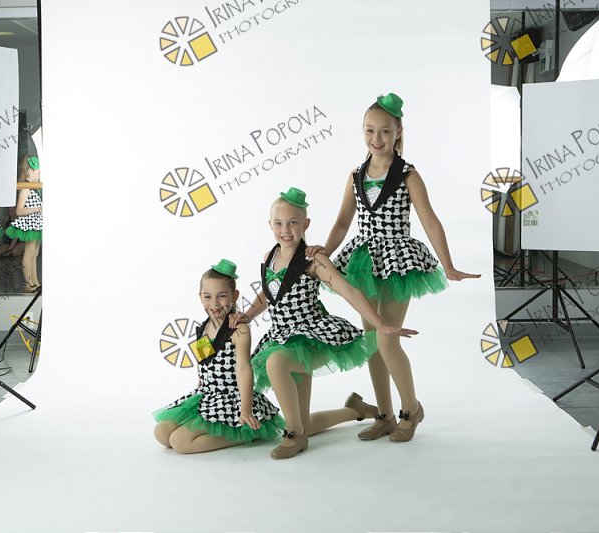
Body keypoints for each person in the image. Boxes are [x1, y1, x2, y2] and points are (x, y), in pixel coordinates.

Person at [307, 93, 479, 443]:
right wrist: (324, 252)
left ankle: (411, 410)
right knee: (372, 341)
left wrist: (447, 265)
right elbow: (343, 222)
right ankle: (384, 414)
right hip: (363, 263)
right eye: (369, 130)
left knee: (387, 340)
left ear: (398, 132)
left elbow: (429, 220)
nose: (377, 138)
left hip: (398, 262)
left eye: (385, 131)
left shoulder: (408, 175)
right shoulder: (355, 175)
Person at [231, 188, 417, 459]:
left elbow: (349, 291)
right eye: (279, 223)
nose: (285, 230)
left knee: (275, 362)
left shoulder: (313, 260)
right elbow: (269, 292)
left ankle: (294, 436)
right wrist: (248, 314)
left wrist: (381, 324)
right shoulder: (269, 256)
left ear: (305, 224)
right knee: (303, 421)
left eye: (293, 223)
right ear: (270, 225)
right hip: (283, 337)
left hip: (312, 337)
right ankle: (355, 410)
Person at [153, 259, 286, 453]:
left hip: (232, 400)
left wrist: (245, 409)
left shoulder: (238, 329)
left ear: (234, 296)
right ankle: (213, 426)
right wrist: (198, 392)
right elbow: (204, 364)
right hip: (208, 395)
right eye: (207, 297)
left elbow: (244, 369)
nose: (214, 303)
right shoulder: (202, 328)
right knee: (162, 433)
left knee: (180, 443)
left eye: (222, 296)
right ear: (200, 297)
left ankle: (244, 432)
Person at [6, 156, 42, 292]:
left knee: (35, 253)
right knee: (29, 253)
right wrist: (37, 209)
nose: (40, 176)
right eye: (38, 173)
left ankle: (35, 282)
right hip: (30, 225)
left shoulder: (35, 188)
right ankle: (28, 284)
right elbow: (19, 211)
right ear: (30, 173)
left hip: (37, 224)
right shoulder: (26, 189)